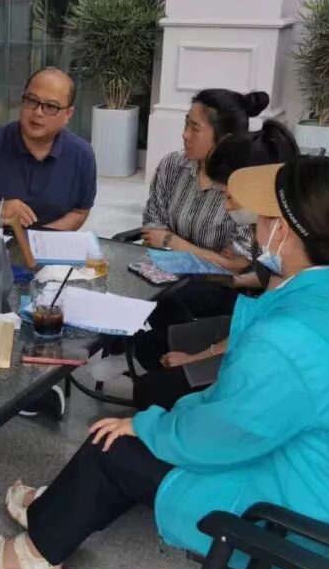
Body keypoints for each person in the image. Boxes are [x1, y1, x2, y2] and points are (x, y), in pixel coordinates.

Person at [0, 157, 329, 569]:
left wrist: (147, 426)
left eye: (263, 217)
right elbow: (249, 410)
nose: (254, 226)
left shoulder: (290, 339)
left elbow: (221, 434)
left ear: (283, 232)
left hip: (297, 525)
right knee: (148, 427)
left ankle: (36, 558)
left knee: (111, 444)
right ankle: (59, 505)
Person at [126, 119, 300, 381]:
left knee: (156, 379)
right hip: (253, 330)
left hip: (265, 350)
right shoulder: (267, 228)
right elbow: (266, 276)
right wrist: (232, 279)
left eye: (228, 196)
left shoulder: (283, 238)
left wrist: (199, 357)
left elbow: (265, 325)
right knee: (153, 343)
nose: (226, 206)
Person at [0, 67, 96, 230]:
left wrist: (39, 238)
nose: (38, 112)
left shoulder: (82, 154)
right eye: (31, 101)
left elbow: (79, 212)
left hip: (51, 240)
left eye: (50, 106)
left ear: (68, 114)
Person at [139, 88, 270, 271]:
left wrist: (171, 241)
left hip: (217, 282)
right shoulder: (171, 165)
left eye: (195, 128)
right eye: (186, 124)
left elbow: (238, 264)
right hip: (163, 271)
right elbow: (152, 230)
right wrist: (213, 256)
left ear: (225, 139)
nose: (185, 134)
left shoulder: (243, 183)